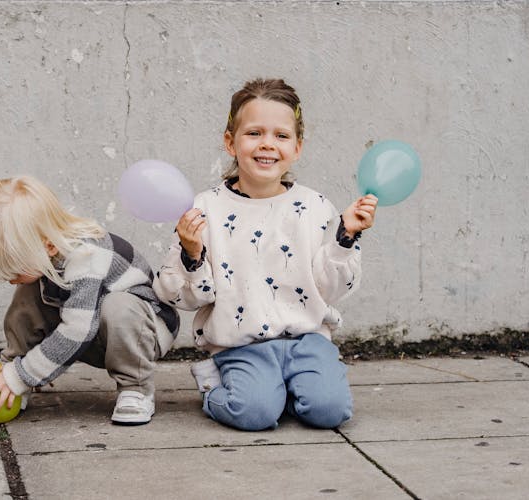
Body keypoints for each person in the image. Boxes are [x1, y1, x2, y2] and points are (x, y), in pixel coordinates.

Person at [153, 78, 378, 431]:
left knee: (329, 412)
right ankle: (216, 384)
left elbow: (332, 290)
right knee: (253, 413)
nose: (267, 145)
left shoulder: (315, 207)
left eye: (281, 136)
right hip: (242, 344)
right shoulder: (204, 208)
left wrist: (345, 236)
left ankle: (288, 386)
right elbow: (175, 295)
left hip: (307, 340)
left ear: (298, 147)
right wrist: (191, 253)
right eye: (254, 133)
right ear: (231, 141)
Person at [0, 175, 179, 425]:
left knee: (118, 306)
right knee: (29, 290)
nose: (10, 280)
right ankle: (10, 366)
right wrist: (23, 371)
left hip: (143, 334)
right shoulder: (50, 251)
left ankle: (136, 389)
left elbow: (78, 330)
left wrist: (25, 375)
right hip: (93, 329)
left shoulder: (87, 256)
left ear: (48, 247)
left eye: (14, 270)